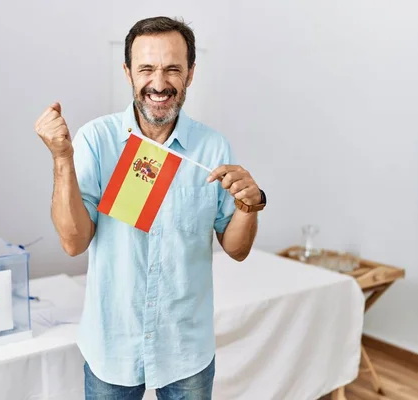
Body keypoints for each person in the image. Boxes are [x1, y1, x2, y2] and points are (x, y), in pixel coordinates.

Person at [35, 16, 266, 400]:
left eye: (173, 69)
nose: (159, 83)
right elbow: (74, 242)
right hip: (114, 345)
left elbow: (237, 250)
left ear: (191, 73)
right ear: (128, 72)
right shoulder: (97, 139)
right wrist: (62, 158)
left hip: (185, 347)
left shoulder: (213, 148)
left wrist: (249, 204)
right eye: (146, 69)